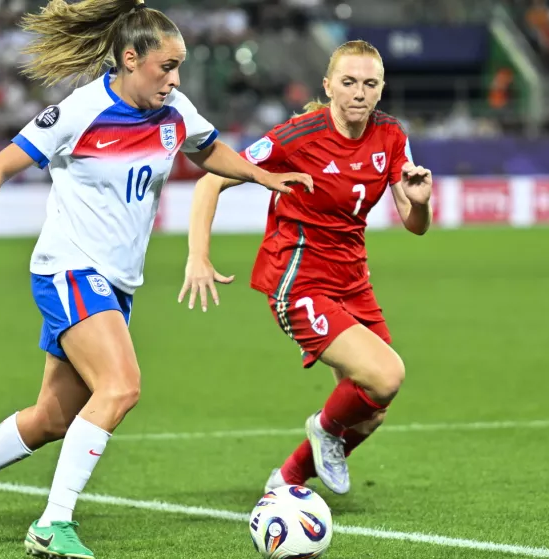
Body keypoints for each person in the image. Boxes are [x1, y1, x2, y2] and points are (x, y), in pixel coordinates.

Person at [0, 0, 312, 556]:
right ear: (130, 59)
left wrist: (258, 174)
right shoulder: (82, 110)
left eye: (178, 68)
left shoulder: (174, 109)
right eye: (165, 68)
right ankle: (53, 524)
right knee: (122, 386)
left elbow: (208, 150)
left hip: (117, 283)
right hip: (69, 268)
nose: (174, 80)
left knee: (53, 417)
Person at [179, 40, 433, 496]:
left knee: (373, 408)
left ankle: (288, 480)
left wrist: (421, 204)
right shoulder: (297, 136)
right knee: (386, 375)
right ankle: (324, 430)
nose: (359, 92)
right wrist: (198, 256)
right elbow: (211, 181)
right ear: (329, 86)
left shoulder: (391, 136)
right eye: (349, 82)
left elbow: (415, 225)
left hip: (353, 279)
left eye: (369, 84)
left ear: (381, 90)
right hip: (298, 279)